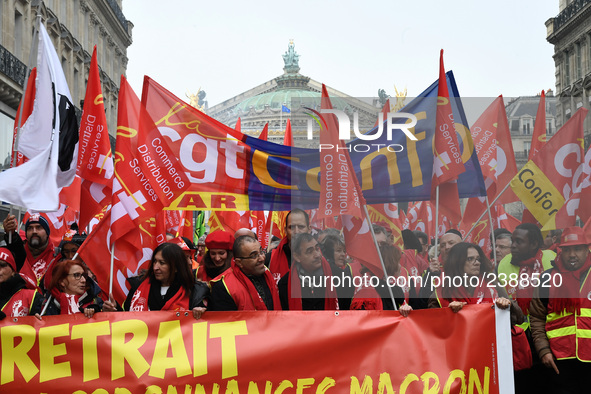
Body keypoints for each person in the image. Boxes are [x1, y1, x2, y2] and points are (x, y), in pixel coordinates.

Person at [530, 227, 591, 393]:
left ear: (587, 250)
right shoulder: (546, 279)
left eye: (577, 249)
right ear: (560, 251)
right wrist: (543, 351)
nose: (572, 255)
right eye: (567, 250)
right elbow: (536, 318)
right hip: (558, 361)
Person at [104, 242, 208, 319]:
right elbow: (126, 319)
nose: (155, 267)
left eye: (162, 263)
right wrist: (114, 310)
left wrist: (202, 312)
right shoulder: (138, 287)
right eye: (155, 262)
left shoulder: (195, 291)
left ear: (176, 267)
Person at [429, 242, 524, 325]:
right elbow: (433, 326)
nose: (477, 263)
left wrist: (508, 305)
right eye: (470, 259)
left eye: (478, 259)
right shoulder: (441, 292)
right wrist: (448, 312)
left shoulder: (492, 284)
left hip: (490, 343)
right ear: (457, 262)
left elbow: (519, 319)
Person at [209, 235, 280, 311]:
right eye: (254, 256)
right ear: (239, 262)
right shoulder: (223, 286)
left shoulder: (266, 271)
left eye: (261, 252)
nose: (262, 258)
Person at [278, 233, 339, 310]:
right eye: (310, 252)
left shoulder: (337, 275)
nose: (317, 255)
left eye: (317, 249)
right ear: (297, 257)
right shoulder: (285, 284)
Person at [350, 244, 410, 315]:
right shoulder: (368, 291)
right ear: (390, 263)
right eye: (398, 262)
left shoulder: (394, 290)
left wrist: (407, 310)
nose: (400, 266)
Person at [3, 213, 55, 285]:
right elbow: (15, 246)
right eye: (30, 228)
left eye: (39, 227)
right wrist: (11, 234)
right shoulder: (18, 253)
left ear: (47, 233)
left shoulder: (56, 256)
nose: (34, 231)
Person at [267, 209, 310, 284]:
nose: (296, 231)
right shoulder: (269, 260)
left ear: (309, 229)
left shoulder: (322, 259)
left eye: (301, 227)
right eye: (292, 227)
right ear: (285, 230)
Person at [0, 247, 42, 319]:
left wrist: (42, 321)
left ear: (13, 271)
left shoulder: (32, 297)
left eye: (2, 265)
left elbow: (50, 325)